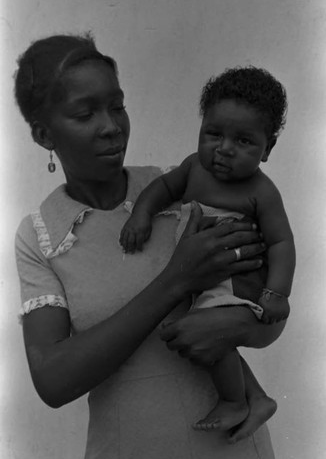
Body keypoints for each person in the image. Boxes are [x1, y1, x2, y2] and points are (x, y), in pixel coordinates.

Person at [14, 33, 286, 459]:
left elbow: (266, 314)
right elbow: (53, 381)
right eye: (85, 113)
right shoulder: (41, 236)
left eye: (117, 106)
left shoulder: (184, 191)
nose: (111, 126)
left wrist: (243, 323)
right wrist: (175, 281)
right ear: (44, 134)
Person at [120, 66, 295, 432]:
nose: (224, 148)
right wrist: (141, 214)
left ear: (268, 148)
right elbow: (162, 188)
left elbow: (281, 242)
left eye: (244, 141)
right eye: (214, 133)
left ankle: (234, 400)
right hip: (198, 277)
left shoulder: (261, 192)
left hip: (235, 282)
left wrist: (276, 292)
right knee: (201, 334)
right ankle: (258, 398)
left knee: (202, 335)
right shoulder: (193, 167)